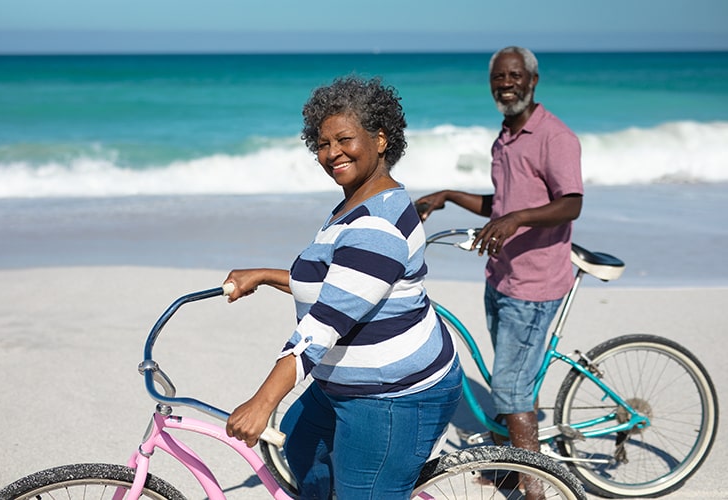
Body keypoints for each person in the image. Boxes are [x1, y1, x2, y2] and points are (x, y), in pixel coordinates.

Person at [224, 76, 463, 499]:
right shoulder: (358, 201)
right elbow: (338, 282)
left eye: (345, 139)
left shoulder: (378, 225)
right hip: (344, 383)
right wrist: (263, 274)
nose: (331, 153)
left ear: (381, 139)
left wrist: (262, 402)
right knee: (299, 443)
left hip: (392, 398)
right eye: (321, 143)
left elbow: (324, 324)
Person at [416, 46, 583, 466]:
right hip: (501, 276)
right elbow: (504, 202)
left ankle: (534, 486)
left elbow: (571, 204)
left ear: (532, 80)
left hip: (535, 283)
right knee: (515, 380)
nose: (506, 84)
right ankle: (514, 462)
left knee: (508, 388)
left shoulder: (554, 137)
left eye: (514, 76)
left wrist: (518, 219)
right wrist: (450, 195)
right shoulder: (505, 137)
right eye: (498, 78)